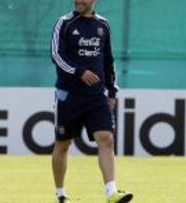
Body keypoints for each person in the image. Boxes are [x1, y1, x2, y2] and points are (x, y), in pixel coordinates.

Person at [50, 0, 133, 202]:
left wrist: (112, 91)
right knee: (63, 145)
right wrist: (80, 72)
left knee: (107, 139)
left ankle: (111, 192)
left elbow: (108, 61)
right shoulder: (65, 23)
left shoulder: (103, 25)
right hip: (69, 95)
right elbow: (56, 55)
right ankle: (60, 194)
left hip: (96, 96)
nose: (78, 1)